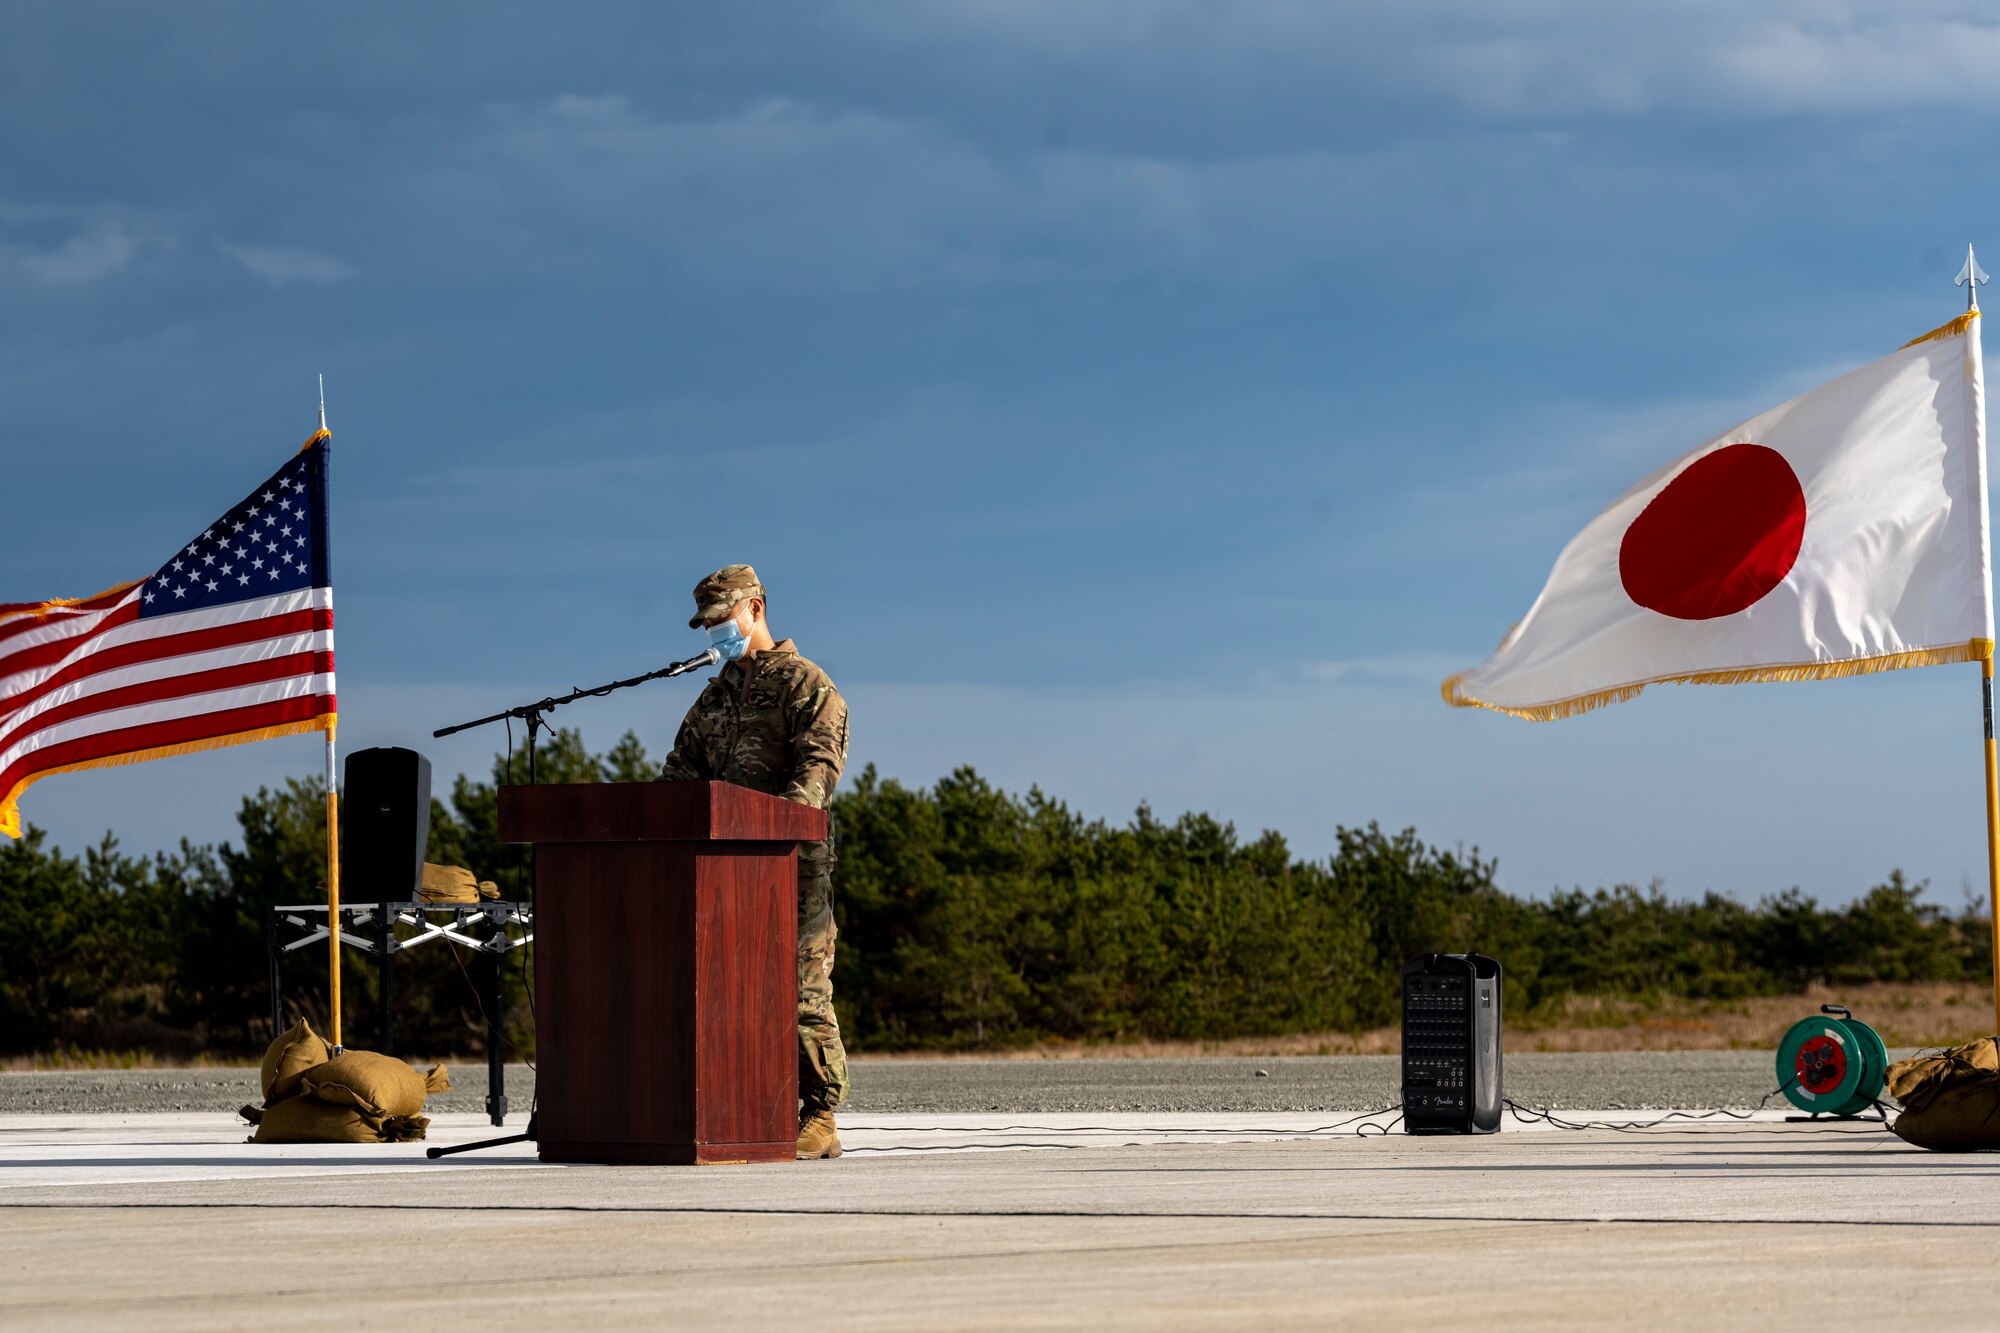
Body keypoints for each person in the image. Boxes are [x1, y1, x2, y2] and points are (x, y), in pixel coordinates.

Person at [658, 564, 851, 1159]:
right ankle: (744, 1103)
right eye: (708, 625)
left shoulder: (805, 685)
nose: (716, 632)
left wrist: (774, 834)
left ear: (756, 608)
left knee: (798, 985)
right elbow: (678, 778)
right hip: (720, 872)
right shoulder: (712, 698)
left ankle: (820, 1115)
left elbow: (817, 770)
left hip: (790, 865)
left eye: (723, 619)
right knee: (727, 989)